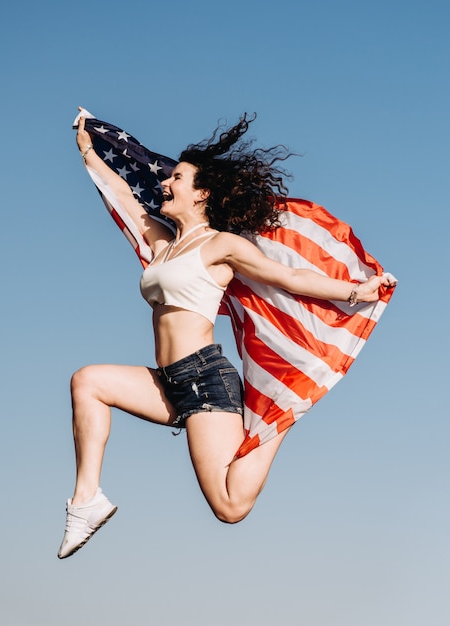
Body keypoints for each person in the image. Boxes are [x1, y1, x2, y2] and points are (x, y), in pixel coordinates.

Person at [58, 110, 396, 559]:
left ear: (202, 193)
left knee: (230, 505)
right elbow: (120, 195)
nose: (164, 183)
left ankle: (281, 418)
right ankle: (87, 501)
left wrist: (357, 290)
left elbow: (288, 279)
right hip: (170, 379)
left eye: (177, 177)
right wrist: (88, 151)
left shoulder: (222, 245)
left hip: (203, 379)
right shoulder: (163, 243)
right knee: (88, 381)